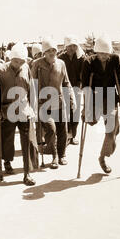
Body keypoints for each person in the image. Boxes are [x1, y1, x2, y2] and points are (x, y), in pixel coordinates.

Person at [81, 36, 120, 173]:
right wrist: (85, 107)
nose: (104, 56)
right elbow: (85, 86)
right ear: (96, 52)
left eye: (106, 53)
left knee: (112, 130)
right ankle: (90, 118)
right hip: (95, 97)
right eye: (101, 54)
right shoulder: (88, 62)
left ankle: (102, 157)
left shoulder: (115, 59)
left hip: (111, 97)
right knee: (92, 121)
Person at [0, 42, 38, 186]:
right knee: (7, 139)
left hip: (24, 109)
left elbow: (32, 89)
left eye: (21, 61)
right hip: (6, 110)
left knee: (27, 141)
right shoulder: (1, 70)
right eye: (16, 61)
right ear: (10, 58)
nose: (18, 64)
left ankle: (27, 173)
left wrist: (34, 109)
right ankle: (7, 161)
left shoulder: (26, 68)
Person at [31, 38, 76, 169]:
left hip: (59, 102)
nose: (52, 53)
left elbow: (66, 83)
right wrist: (33, 103)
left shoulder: (61, 64)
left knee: (63, 130)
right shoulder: (37, 64)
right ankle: (54, 156)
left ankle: (62, 155)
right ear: (44, 52)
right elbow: (33, 84)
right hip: (43, 104)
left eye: (54, 50)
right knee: (51, 129)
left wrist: (72, 98)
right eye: (49, 50)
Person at [58, 35, 86, 145]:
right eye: (70, 46)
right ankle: (66, 135)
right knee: (65, 113)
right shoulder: (60, 58)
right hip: (63, 88)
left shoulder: (80, 58)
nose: (72, 48)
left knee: (75, 112)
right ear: (66, 46)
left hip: (76, 88)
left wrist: (81, 84)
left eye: (74, 46)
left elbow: (83, 73)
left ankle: (73, 135)